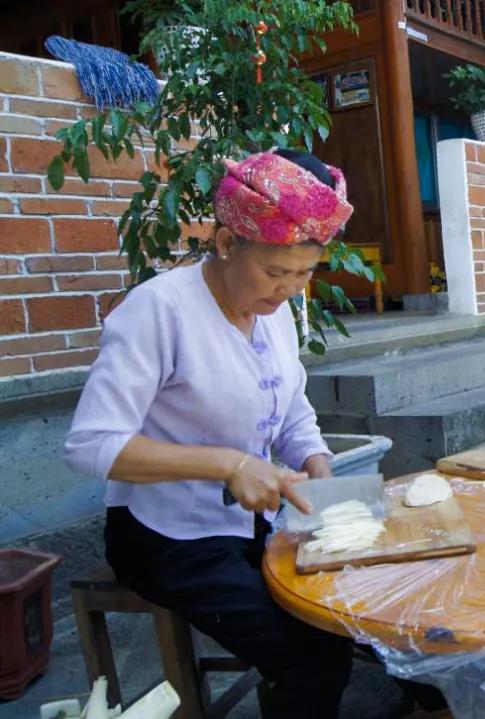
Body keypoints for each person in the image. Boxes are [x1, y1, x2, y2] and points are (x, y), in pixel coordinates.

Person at [65, 149, 356, 718]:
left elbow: (292, 411)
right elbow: (91, 443)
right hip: (167, 537)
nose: (290, 290)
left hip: (256, 527)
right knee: (313, 656)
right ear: (226, 243)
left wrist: (319, 469)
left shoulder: (275, 314)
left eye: (306, 272)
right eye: (276, 272)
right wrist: (226, 465)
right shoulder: (159, 310)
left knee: (356, 611)